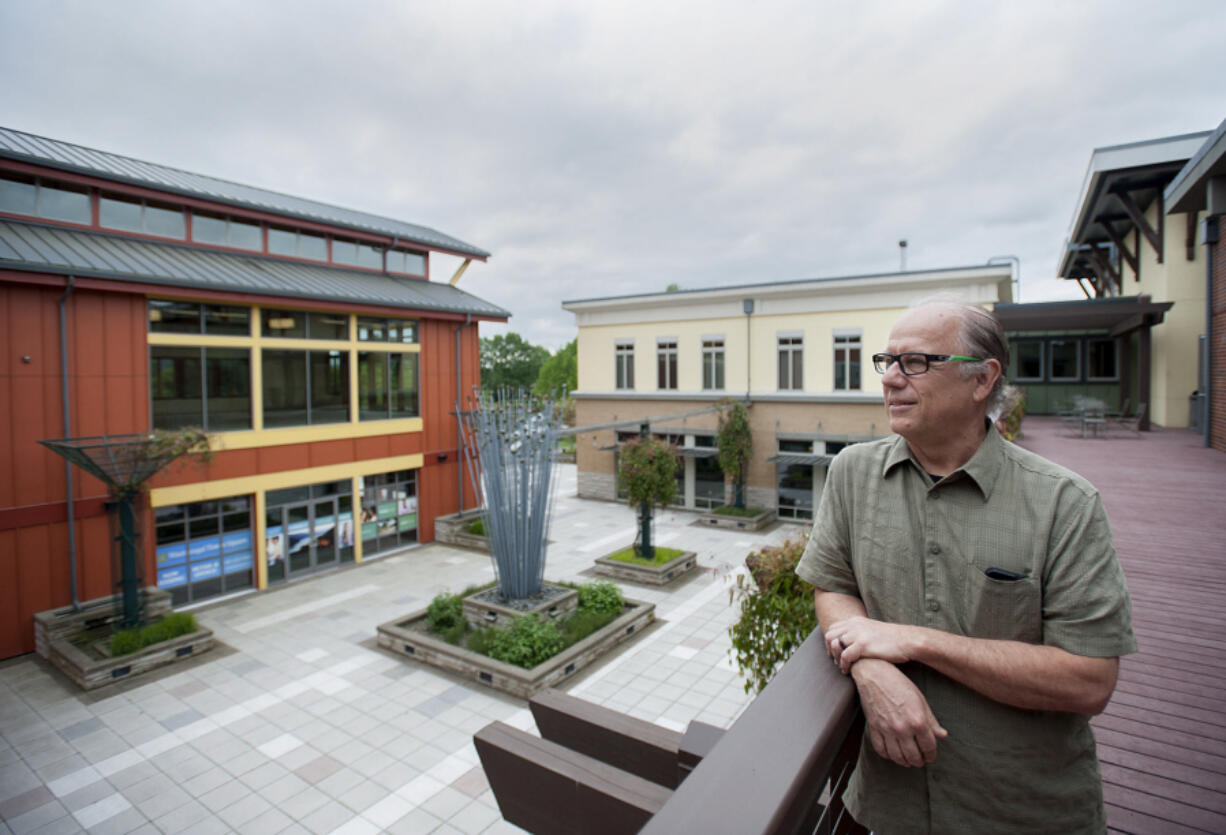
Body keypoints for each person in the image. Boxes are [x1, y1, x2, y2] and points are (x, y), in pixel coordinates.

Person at [795, 299, 1135, 834]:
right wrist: (872, 668)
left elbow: (1089, 681)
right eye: (888, 361)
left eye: (916, 363)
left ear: (982, 381)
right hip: (889, 806)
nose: (890, 380)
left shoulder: (1064, 503)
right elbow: (833, 587)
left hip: (1020, 812)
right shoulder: (852, 473)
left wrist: (916, 641)